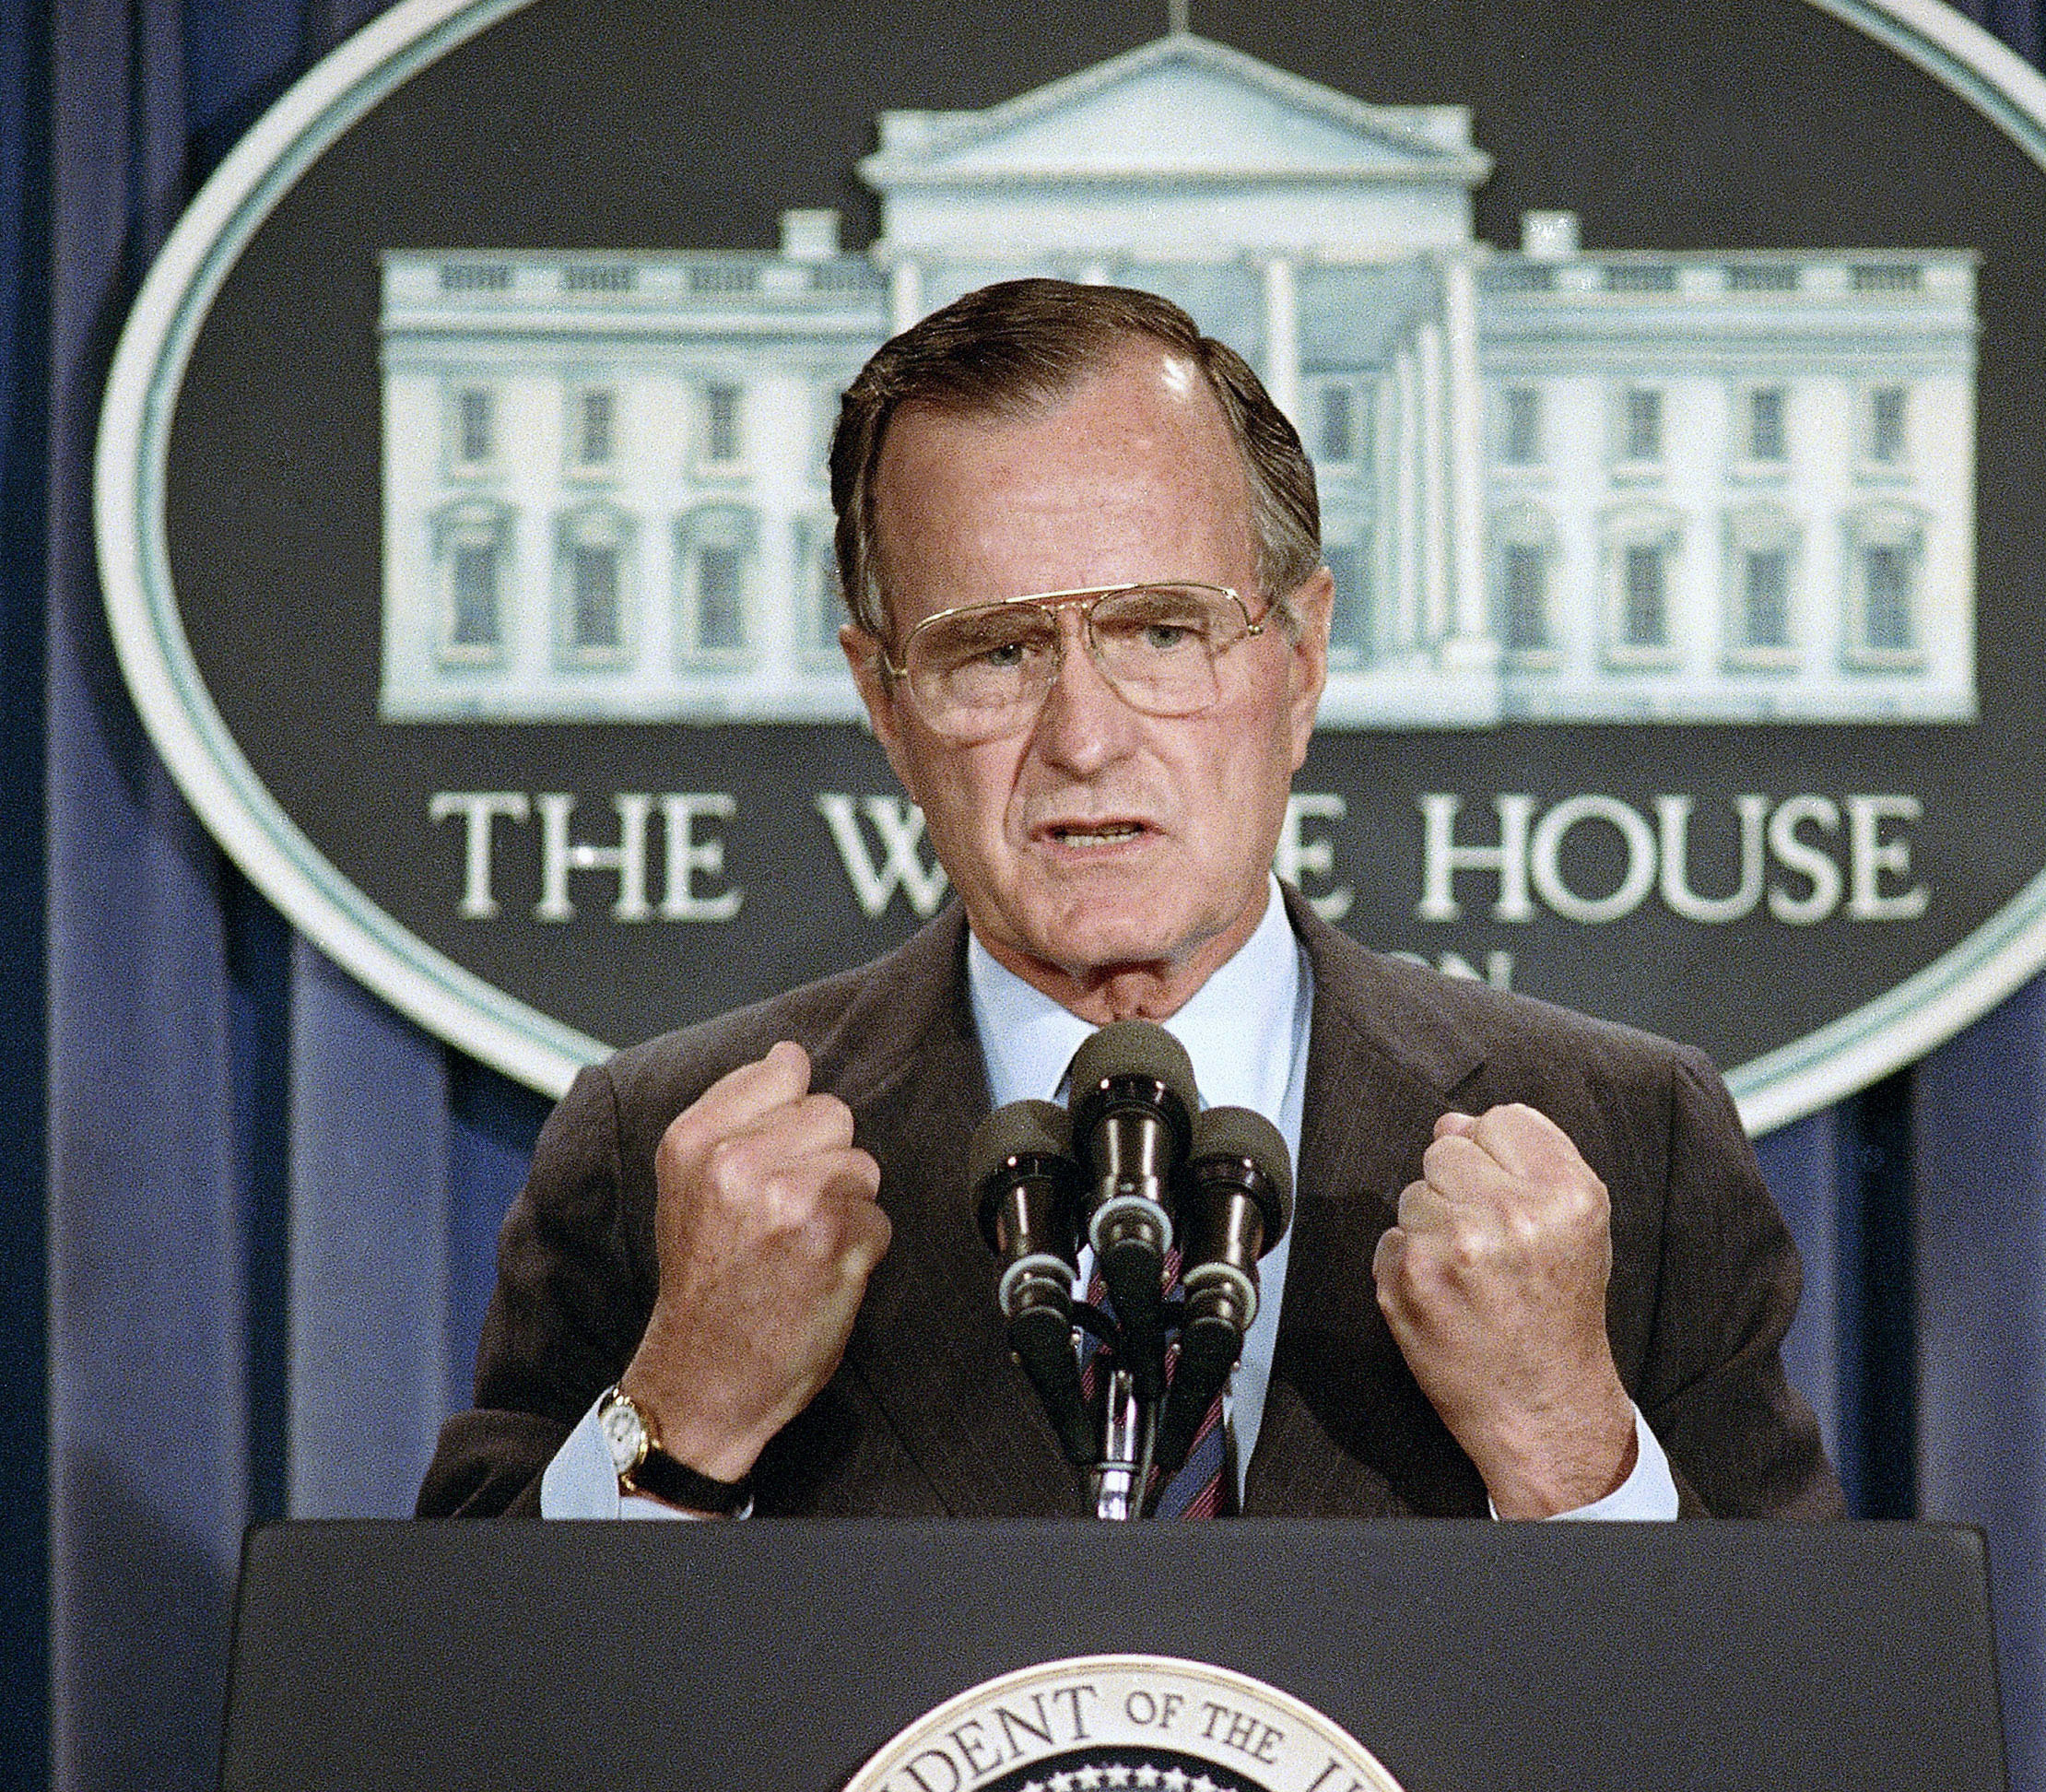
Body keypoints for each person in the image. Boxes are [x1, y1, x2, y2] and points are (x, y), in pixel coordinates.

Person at [417, 278, 1842, 1524]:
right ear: (885, 703)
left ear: (1298, 657)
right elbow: (459, 1721)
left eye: (1160, 632)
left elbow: (1807, 1739)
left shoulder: (1625, 1138)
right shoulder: (664, 1160)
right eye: (992, 654)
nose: (1084, 738)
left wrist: (1570, 1456)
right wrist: (679, 1416)